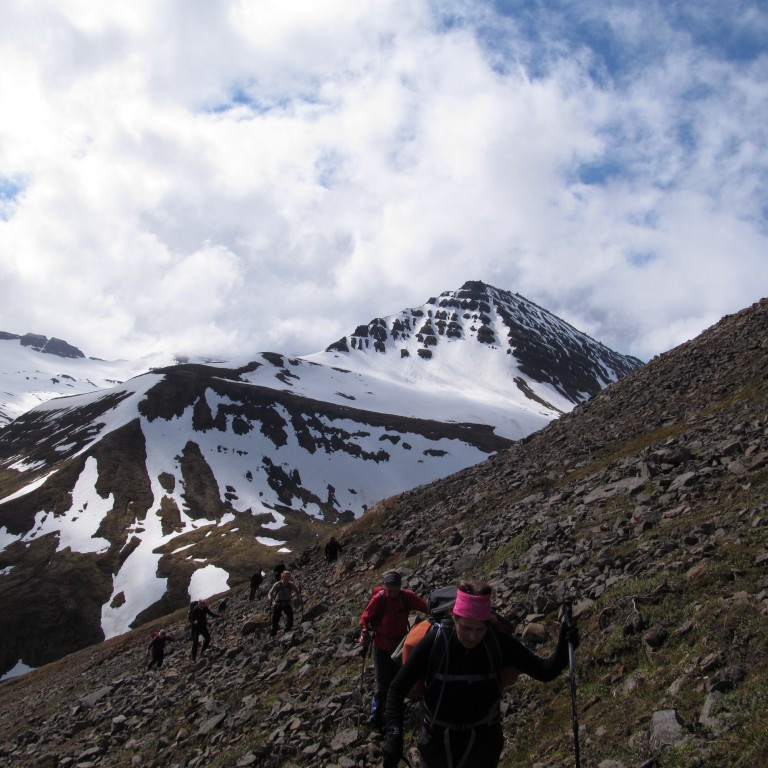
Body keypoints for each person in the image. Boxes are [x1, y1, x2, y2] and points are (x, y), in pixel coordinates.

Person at [382, 580, 579, 768]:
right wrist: (394, 736)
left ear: (488, 623)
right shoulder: (436, 641)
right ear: (454, 617)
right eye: (466, 628)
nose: (473, 636)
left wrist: (563, 647)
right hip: (438, 745)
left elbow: (545, 671)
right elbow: (396, 689)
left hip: (483, 745)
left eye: (479, 629)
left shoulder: (497, 642)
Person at [359, 571, 428, 729]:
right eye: (389, 590)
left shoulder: (406, 597)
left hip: (399, 646)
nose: (392, 593)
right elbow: (365, 617)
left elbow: (424, 606)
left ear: (399, 587)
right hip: (381, 647)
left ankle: (393, 714)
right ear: (384, 588)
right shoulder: (379, 599)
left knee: (398, 682)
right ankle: (376, 719)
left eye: (395, 590)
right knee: (383, 685)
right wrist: (364, 630)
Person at [268, 570, 302, 636]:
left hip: (287, 603)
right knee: (275, 619)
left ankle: (287, 629)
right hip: (278, 604)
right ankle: (273, 633)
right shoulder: (277, 584)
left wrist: (299, 588)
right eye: (285, 576)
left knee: (290, 617)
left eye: (288, 576)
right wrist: (270, 598)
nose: (287, 578)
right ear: (282, 576)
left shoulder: (291, 584)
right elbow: (270, 593)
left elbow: (297, 591)